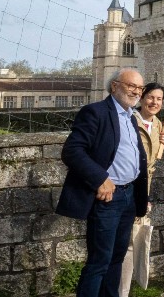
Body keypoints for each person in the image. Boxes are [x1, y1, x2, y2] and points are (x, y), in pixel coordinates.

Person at [56, 67, 149, 297]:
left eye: (140, 88)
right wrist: (100, 179)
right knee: (100, 261)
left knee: (116, 258)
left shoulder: (130, 116)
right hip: (108, 197)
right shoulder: (95, 112)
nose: (136, 92)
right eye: (131, 86)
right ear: (115, 85)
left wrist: (140, 196)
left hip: (128, 196)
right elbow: (72, 151)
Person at [119, 83, 164, 297]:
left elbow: (151, 161)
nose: (154, 102)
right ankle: (119, 291)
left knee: (135, 240)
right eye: (150, 97)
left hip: (143, 190)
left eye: (159, 99)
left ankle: (125, 290)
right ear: (141, 98)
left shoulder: (159, 125)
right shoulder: (129, 120)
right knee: (124, 243)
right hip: (127, 187)